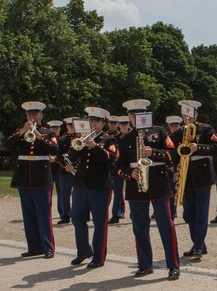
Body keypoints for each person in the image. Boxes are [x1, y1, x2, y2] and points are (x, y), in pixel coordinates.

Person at [116, 100, 180, 279]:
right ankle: (145, 264)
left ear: (147, 115)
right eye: (133, 116)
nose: (136, 118)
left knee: (166, 226)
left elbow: (172, 154)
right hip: (136, 186)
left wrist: (154, 152)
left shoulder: (159, 132)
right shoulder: (125, 138)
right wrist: (130, 173)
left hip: (158, 183)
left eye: (140, 115)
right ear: (129, 117)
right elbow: (117, 166)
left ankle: (173, 265)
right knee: (139, 227)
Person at [5, 101, 58, 258]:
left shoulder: (48, 133)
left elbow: (54, 149)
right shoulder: (20, 133)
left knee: (43, 214)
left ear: (41, 115)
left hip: (41, 177)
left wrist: (39, 136)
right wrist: (22, 131)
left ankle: (48, 247)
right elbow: (8, 144)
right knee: (28, 214)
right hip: (24, 177)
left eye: (34, 114)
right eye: (29, 114)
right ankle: (34, 247)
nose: (32, 117)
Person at [70, 107, 118, 269]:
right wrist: (79, 144)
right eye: (90, 121)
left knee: (99, 222)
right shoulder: (82, 138)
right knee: (77, 218)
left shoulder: (109, 139)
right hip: (81, 184)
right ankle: (83, 250)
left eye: (96, 122)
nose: (92, 124)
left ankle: (99, 256)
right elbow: (71, 157)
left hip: (100, 185)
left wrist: (95, 146)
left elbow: (111, 158)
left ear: (102, 123)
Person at [174, 100, 217, 259]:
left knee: (201, 213)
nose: (187, 116)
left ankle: (198, 246)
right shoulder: (178, 133)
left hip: (203, 174)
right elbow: (174, 155)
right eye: (184, 113)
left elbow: (215, 148)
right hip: (186, 176)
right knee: (190, 214)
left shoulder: (206, 129)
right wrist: (175, 171)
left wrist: (198, 147)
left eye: (190, 113)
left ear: (196, 114)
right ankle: (198, 243)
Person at [109, 116, 127, 224]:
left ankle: (132, 214)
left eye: (126, 124)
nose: (124, 126)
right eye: (122, 124)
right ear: (119, 126)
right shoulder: (115, 138)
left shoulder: (133, 137)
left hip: (130, 168)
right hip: (118, 168)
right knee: (117, 191)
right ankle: (115, 214)